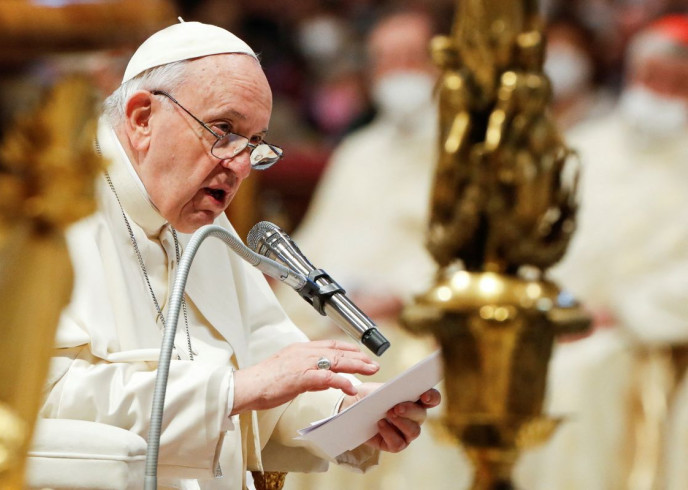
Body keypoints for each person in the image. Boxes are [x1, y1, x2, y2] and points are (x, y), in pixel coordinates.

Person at [38, 20, 440, 490]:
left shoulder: (202, 225)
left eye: (254, 144)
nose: (240, 165)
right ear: (142, 118)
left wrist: (347, 414)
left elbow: (269, 375)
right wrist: (232, 389)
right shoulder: (52, 219)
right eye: (223, 130)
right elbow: (41, 397)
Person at [277, 10, 473, 490]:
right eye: (384, 61)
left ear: (444, 66)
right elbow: (313, 248)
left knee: (382, 362)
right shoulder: (358, 152)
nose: (396, 73)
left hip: (416, 319)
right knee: (289, 354)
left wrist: (398, 294)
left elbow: (474, 252)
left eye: (411, 58)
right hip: (338, 313)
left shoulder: (469, 153)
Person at [514, 14, 688, 490]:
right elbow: (534, 242)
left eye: (678, 85)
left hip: (644, 336)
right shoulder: (581, 149)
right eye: (652, 78)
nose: (661, 95)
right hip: (560, 318)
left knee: (577, 380)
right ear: (631, 74)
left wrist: (619, 311)